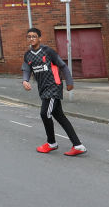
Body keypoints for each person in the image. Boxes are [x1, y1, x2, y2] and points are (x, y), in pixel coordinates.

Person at [21, 27, 86, 156]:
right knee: (60, 117)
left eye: (34, 36)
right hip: (43, 88)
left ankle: (51, 143)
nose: (31, 38)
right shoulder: (28, 55)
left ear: (40, 38)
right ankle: (78, 145)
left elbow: (63, 66)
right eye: (29, 36)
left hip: (53, 87)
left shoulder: (48, 51)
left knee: (45, 113)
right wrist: (25, 80)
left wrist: (69, 82)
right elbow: (27, 69)